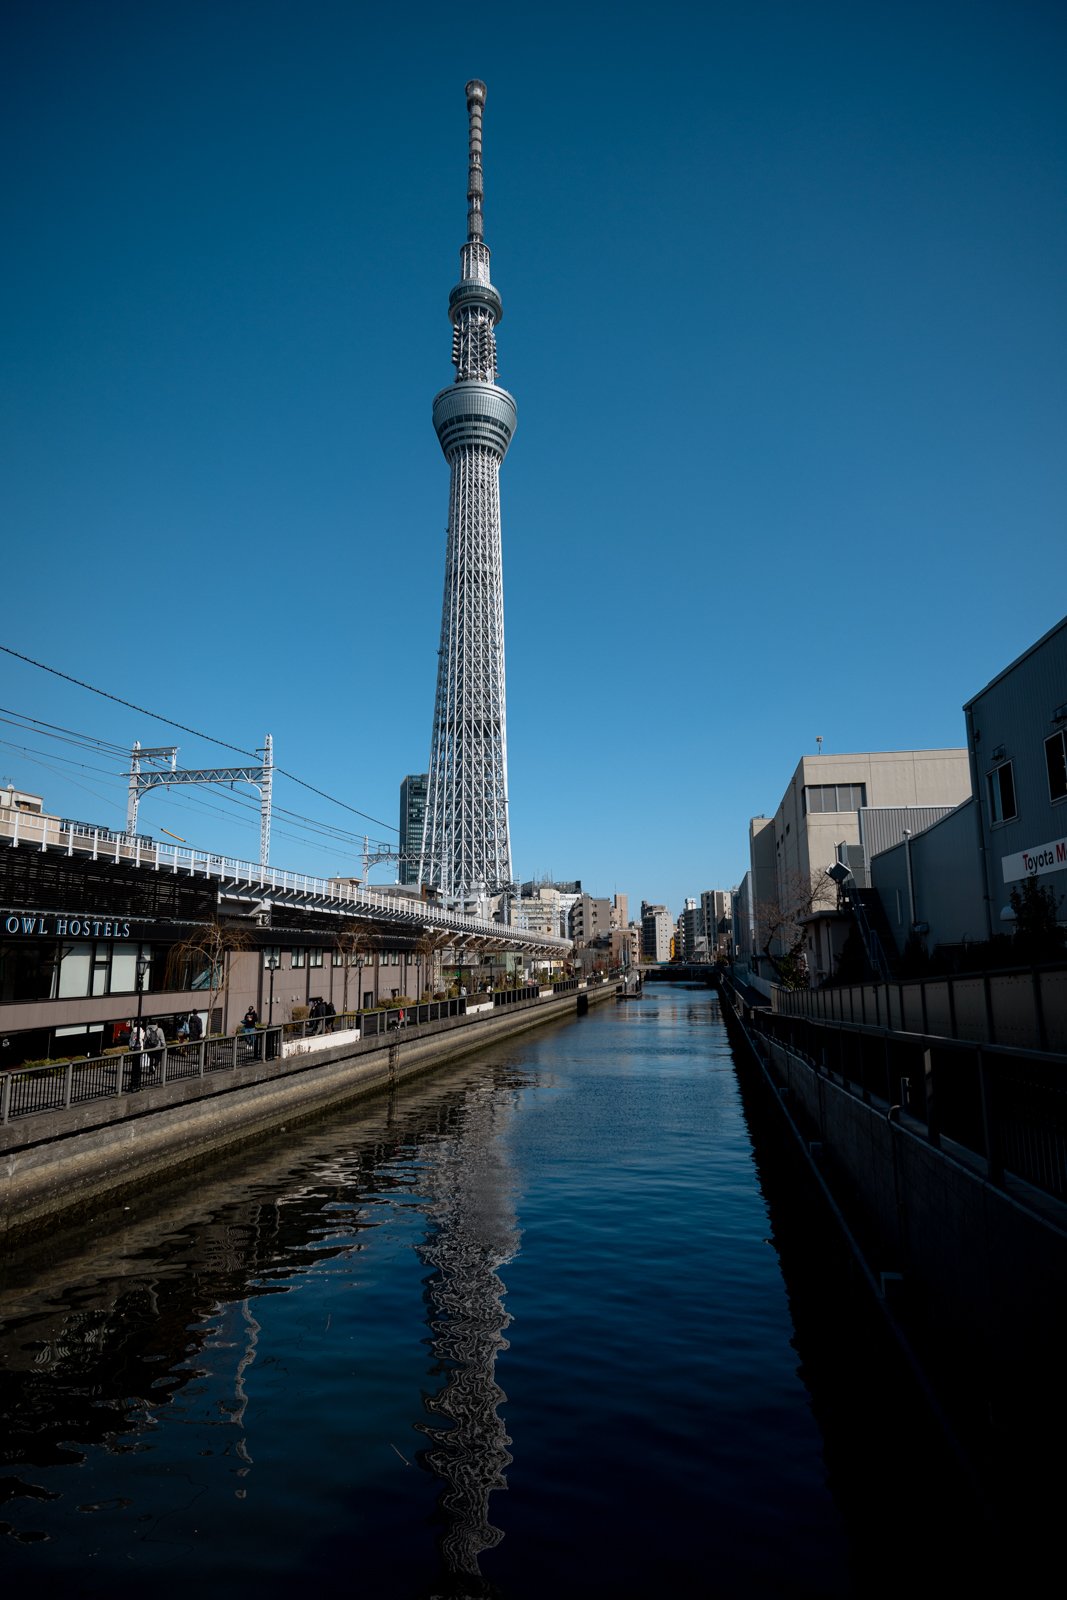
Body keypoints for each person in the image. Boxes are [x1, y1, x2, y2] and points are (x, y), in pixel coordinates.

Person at [127, 1021, 145, 1091]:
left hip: (134, 1048)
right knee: (138, 1065)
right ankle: (137, 1083)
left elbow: (130, 1039)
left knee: (134, 1065)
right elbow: (142, 1037)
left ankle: (134, 1082)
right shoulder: (141, 1030)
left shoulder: (132, 1031)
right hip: (139, 1048)